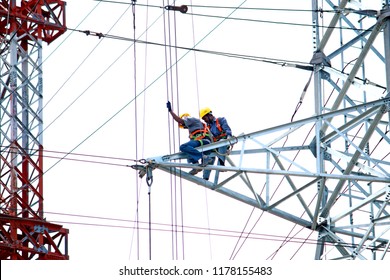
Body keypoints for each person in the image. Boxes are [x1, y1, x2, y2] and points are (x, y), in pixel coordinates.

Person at [167, 101, 213, 175]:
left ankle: (203, 157)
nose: (185, 127)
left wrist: (170, 111)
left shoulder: (189, 118)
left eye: (184, 125)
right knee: (187, 151)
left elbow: (180, 120)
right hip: (203, 142)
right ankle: (196, 166)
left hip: (203, 141)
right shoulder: (194, 127)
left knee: (183, 147)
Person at [199, 107, 233, 180]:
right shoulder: (207, 127)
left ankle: (221, 165)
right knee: (210, 157)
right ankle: (205, 177)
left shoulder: (220, 120)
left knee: (221, 142)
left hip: (223, 142)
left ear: (209, 115)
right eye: (204, 120)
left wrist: (229, 138)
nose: (205, 121)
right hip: (214, 145)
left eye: (205, 118)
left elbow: (227, 130)